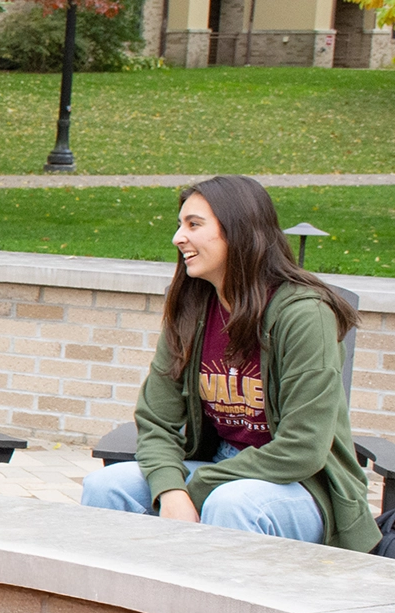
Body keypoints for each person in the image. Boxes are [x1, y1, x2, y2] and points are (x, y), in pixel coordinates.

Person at [80, 176, 377, 550]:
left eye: (194, 225)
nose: (178, 237)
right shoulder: (192, 309)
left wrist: (197, 487)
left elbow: (304, 448)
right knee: (105, 487)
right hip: (221, 465)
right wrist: (171, 490)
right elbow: (156, 420)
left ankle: (207, 608)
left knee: (230, 501)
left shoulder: (304, 315)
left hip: (304, 487)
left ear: (238, 231)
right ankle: (114, 605)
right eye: (179, 224)